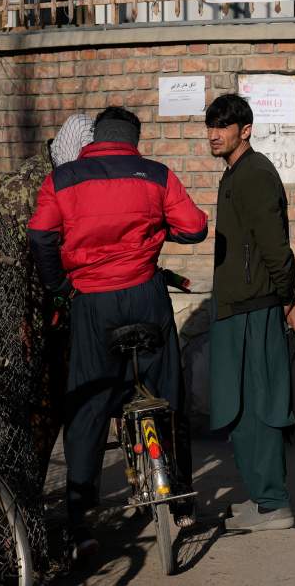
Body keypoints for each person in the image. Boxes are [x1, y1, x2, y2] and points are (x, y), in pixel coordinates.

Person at [28, 106, 207, 555]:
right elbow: (195, 227)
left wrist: (59, 286)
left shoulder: (62, 179)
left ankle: (80, 522)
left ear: (95, 138)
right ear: (133, 138)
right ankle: (182, 499)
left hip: (91, 302)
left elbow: (40, 236)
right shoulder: (156, 174)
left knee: (88, 405)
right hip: (146, 294)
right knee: (168, 393)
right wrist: (158, 228)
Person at [206, 94, 295, 533]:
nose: (214, 135)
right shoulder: (235, 173)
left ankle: (273, 503)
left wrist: (288, 298)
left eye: (223, 126)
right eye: (210, 126)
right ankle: (262, 498)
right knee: (240, 408)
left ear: (245, 130)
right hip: (237, 306)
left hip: (255, 306)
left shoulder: (255, 174)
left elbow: (275, 246)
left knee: (259, 406)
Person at [0, 113, 94, 487]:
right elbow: (7, 267)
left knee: (77, 408)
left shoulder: (80, 179)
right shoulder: (20, 187)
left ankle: (77, 499)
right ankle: (26, 498)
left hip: (71, 313)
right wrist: (17, 322)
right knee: (37, 415)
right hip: (32, 321)